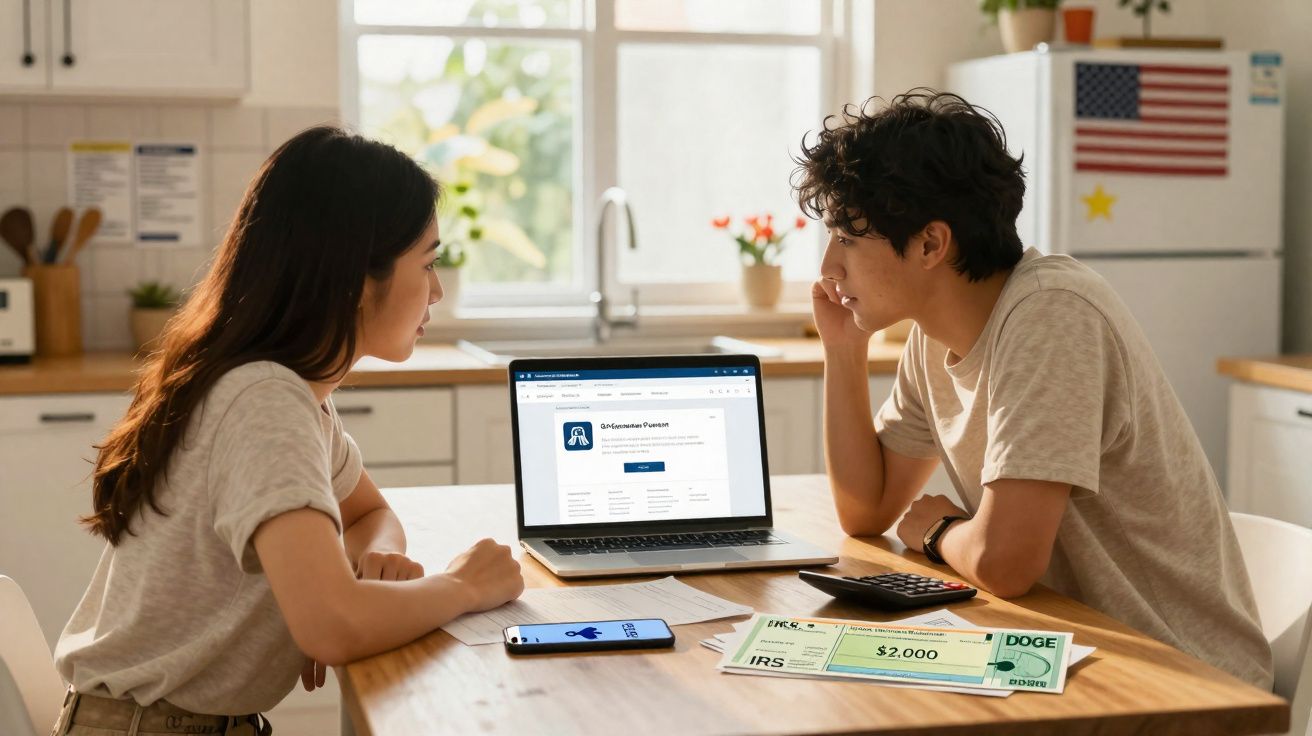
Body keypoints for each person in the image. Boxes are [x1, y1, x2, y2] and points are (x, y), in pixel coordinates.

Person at [51, 126, 526, 734]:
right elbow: (331, 627)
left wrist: (369, 562)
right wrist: (462, 586)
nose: (436, 290)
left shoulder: (293, 392)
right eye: (427, 263)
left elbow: (368, 514)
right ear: (359, 277)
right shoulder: (264, 399)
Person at [794, 89, 1273, 689]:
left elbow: (1006, 563)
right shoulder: (930, 338)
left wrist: (939, 532)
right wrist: (843, 351)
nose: (827, 269)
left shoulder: (1051, 314)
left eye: (847, 239)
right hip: (1070, 650)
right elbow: (866, 510)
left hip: (1180, 676)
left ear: (930, 245)